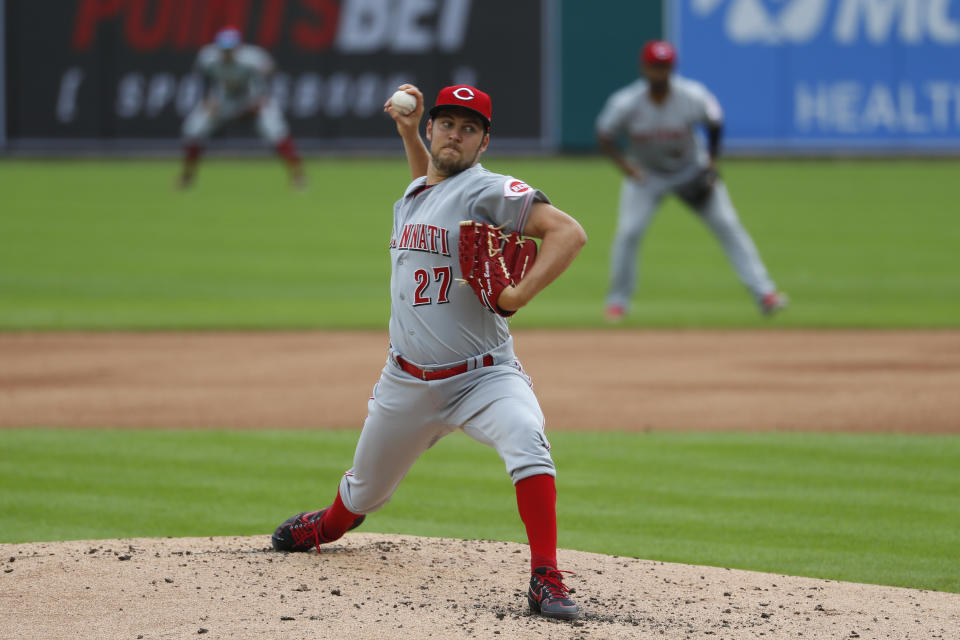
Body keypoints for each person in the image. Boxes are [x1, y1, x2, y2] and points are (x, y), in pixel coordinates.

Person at [270, 83, 588, 621]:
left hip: (483, 377)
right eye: (447, 125)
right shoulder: (417, 190)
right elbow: (431, 179)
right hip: (407, 383)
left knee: (528, 441)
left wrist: (516, 294)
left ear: (484, 142)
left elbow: (569, 233)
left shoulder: (489, 190)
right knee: (363, 491)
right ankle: (327, 525)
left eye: (469, 129)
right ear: (434, 128)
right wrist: (407, 132)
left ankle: (545, 577)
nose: (455, 136)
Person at [596, 39, 787, 321]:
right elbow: (604, 134)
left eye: (664, 67)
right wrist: (627, 169)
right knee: (628, 233)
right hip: (647, 176)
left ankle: (765, 294)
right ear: (644, 67)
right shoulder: (626, 102)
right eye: (654, 66)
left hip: (690, 170)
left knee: (729, 225)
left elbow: (715, 122)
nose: (659, 72)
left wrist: (710, 163)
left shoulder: (692, 95)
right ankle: (618, 301)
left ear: (672, 68)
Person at [177, 26, 305, 189]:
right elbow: (203, 78)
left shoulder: (252, 58)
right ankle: (187, 176)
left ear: (239, 47)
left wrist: (259, 101)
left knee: (275, 129)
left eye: (231, 48)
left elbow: (270, 74)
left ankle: (298, 175)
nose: (227, 52)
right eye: (224, 49)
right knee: (193, 129)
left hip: (252, 97)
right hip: (224, 98)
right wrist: (207, 99)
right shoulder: (208, 57)